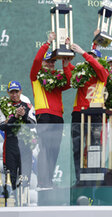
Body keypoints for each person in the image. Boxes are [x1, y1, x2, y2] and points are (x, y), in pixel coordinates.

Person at [30, 32, 73, 189]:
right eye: (47, 62)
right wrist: (48, 42)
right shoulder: (36, 76)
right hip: (44, 115)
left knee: (54, 150)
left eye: (52, 62)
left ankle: (48, 181)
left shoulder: (57, 78)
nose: (49, 65)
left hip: (57, 117)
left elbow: (69, 82)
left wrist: (65, 64)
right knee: (45, 149)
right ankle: (42, 182)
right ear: (43, 64)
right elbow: (36, 60)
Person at [70, 43, 109, 183]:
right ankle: (79, 178)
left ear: (99, 59)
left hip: (96, 114)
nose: (90, 59)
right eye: (89, 56)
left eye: (93, 57)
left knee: (95, 147)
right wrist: (66, 62)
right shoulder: (82, 75)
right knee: (77, 148)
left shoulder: (103, 73)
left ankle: (94, 178)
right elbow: (70, 76)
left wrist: (83, 53)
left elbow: (97, 67)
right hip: (79, 114)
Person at [0, 81, 36, 190]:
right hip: (10, 144)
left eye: (16, 91)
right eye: (11, 92)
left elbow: (33, 124)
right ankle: (12, 202)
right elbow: (1, 126)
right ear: (8, 93)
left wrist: (24, 115)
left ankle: (25, 202)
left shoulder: (28, 106)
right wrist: (15, 116)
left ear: (20, 91)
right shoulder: (3, 106)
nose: (14, 94)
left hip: (25, 143)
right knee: (11, 177)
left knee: (24, 176)